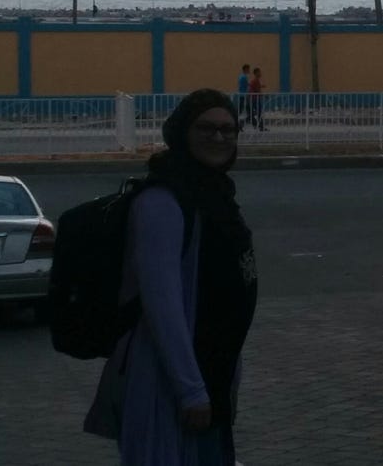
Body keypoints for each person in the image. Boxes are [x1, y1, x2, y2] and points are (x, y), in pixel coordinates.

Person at [84, 88, 259, 466]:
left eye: (228, 129)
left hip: (212, 371)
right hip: (168, 383)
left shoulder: (216, 196)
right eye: (206, 128)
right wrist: (190, 390)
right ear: (181, 133)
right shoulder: (162, 201)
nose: (219, 138)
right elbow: (162, 302)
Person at [247, 67, 267, 131]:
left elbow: (254, 88)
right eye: (259, 72)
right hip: (254, 99)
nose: (260, 73)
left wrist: (261, 86)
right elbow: (257, 90)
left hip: (253, 99)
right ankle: (260, 126)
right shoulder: (255, 80)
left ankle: (258, 125)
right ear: (256, 73)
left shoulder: (255, 80)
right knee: (259, 113)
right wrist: (265, 96)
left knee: (254, 113)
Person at [234, 65, 250, 130]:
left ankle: (239, 124)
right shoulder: (244, 77)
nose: (249, 70)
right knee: (243, 110)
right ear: (245, 69)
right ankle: (239, 124)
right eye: (248, 69)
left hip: (242, 95)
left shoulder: (240, 76)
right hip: (244, 96)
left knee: (242, 110)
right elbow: (247, 86)